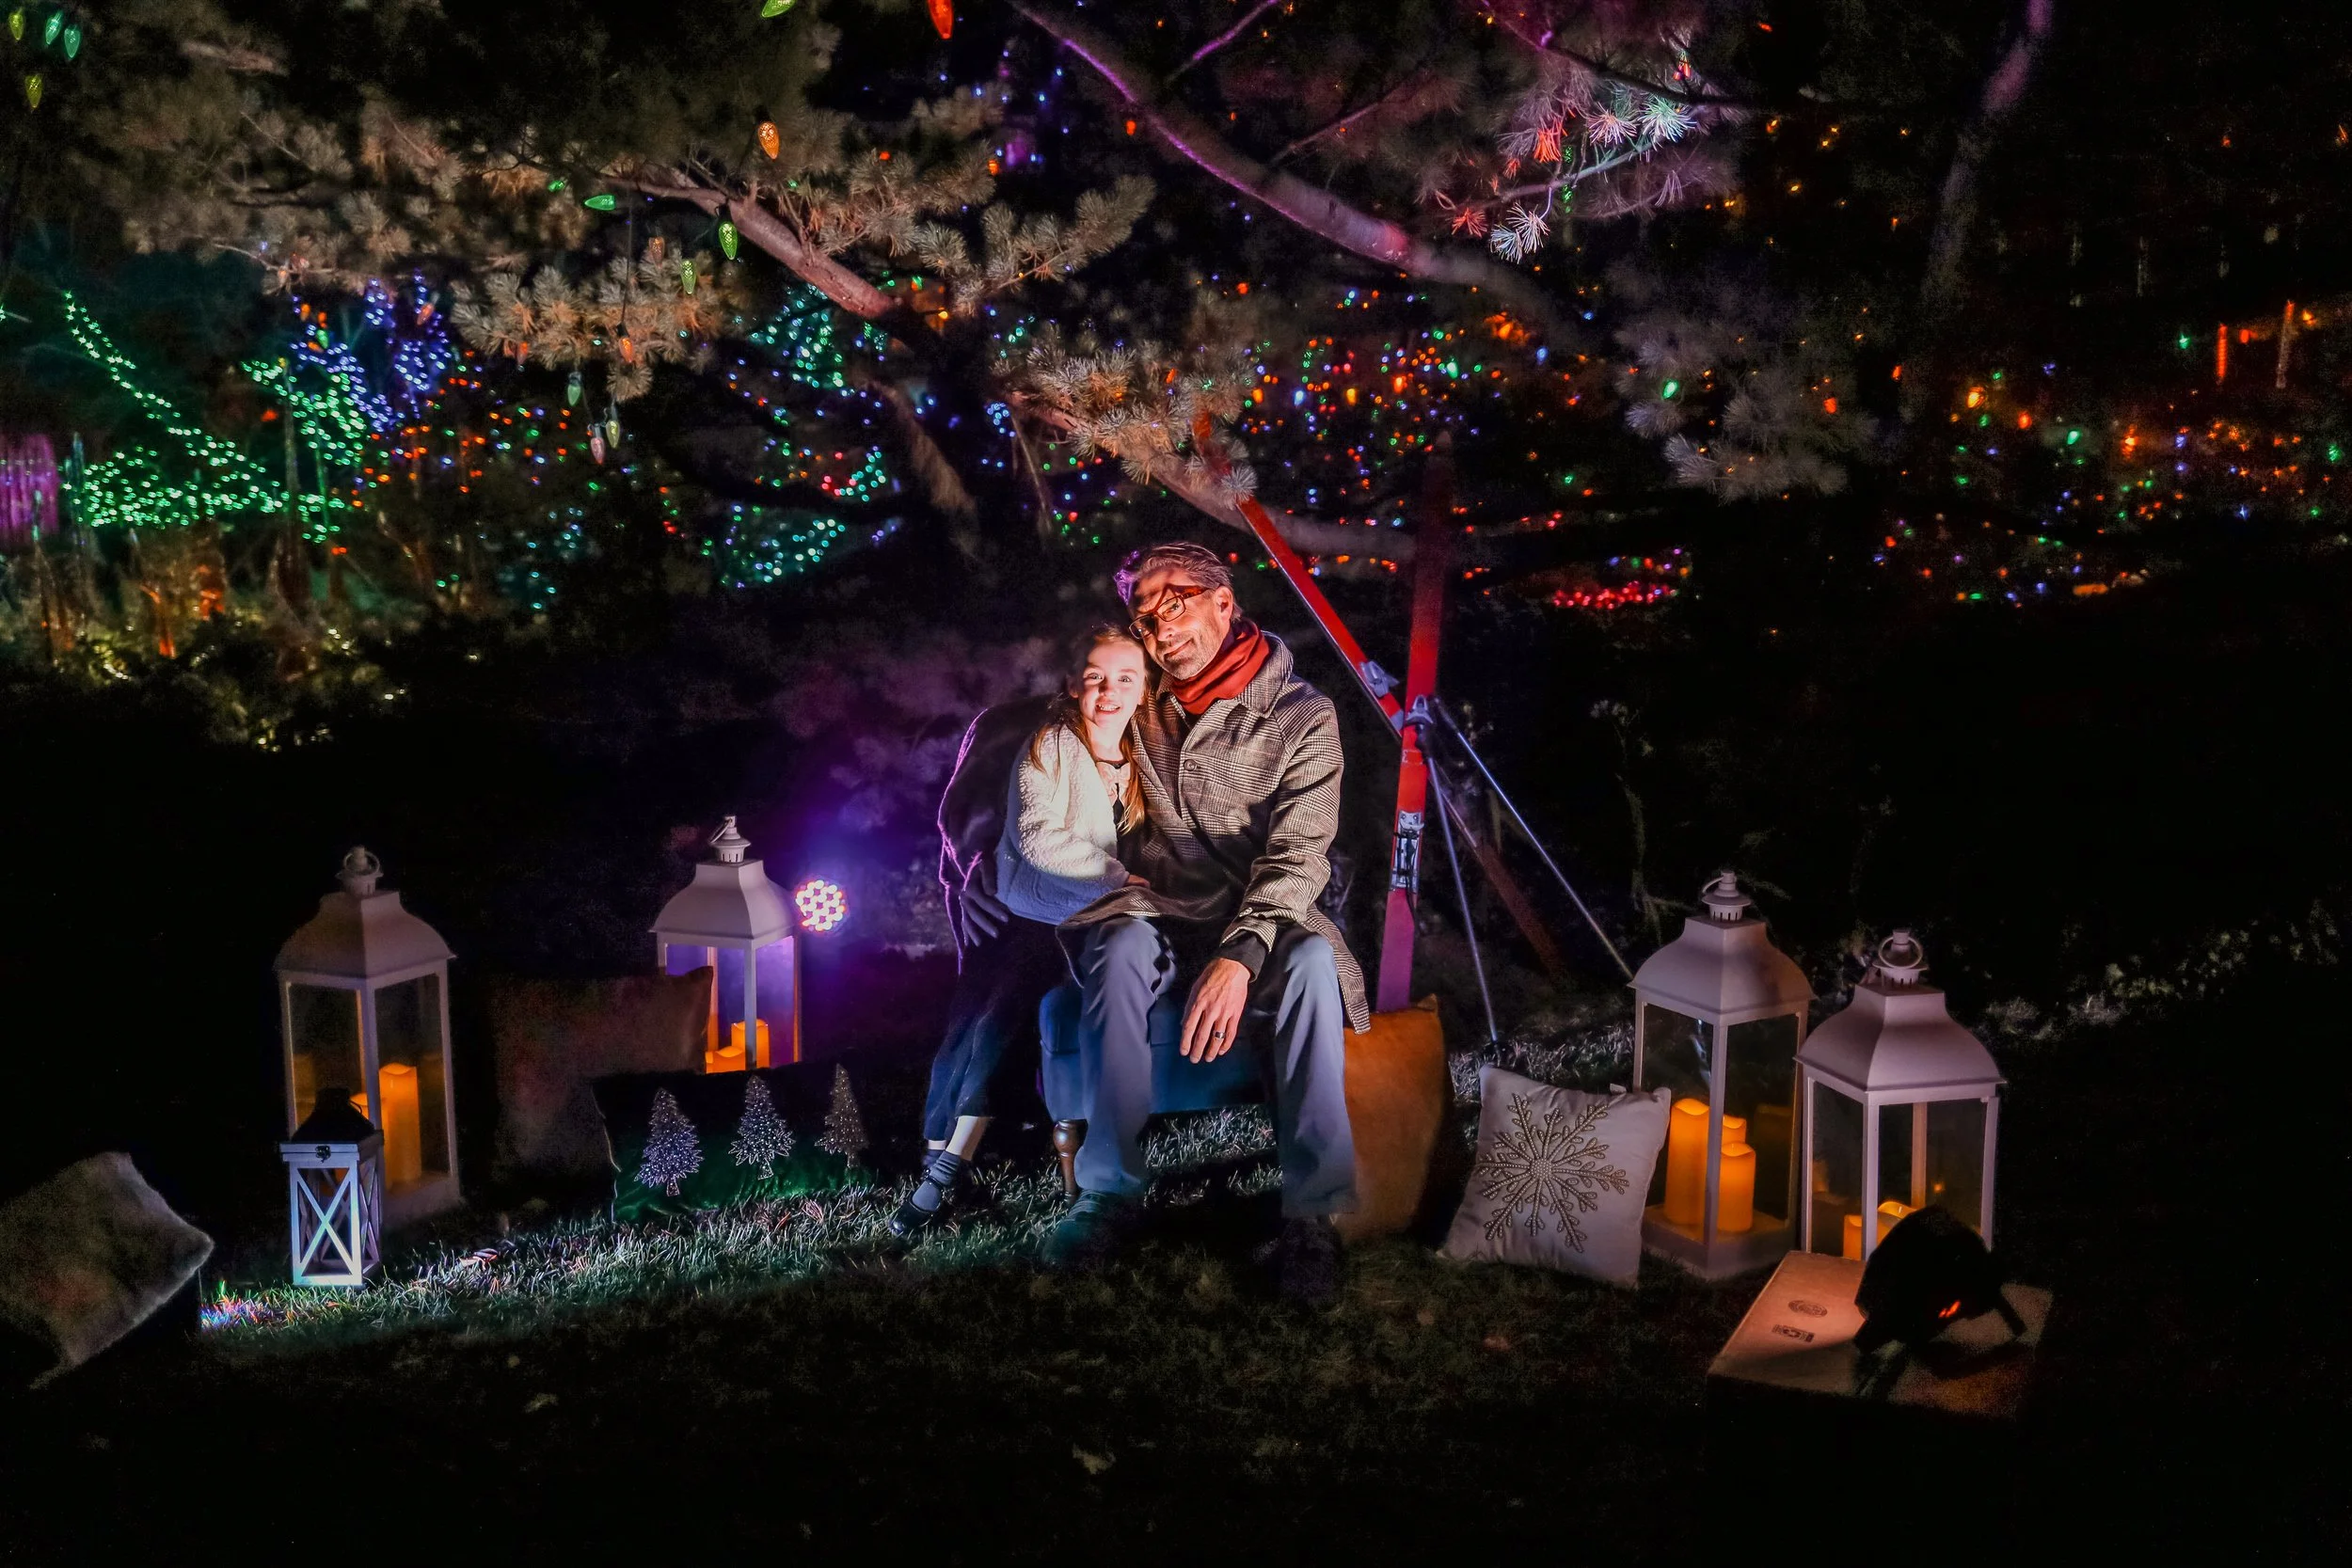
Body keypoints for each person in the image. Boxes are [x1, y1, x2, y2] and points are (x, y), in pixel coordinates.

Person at [1040, 541, 1368, 1305]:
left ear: (1225, 601)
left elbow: (1299, 853)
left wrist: (1241, 954)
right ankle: (1108, 1193)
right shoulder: (1138, 697)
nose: (1160, 628)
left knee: (1315, 964)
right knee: (1117, 947)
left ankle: (1311, 1215)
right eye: (1145, 617)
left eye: (1175, 601)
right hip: (1157, 906)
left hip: (1264, 915)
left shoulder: (1301, 716)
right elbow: (1062, 731)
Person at [892, 626, 1153, 1238]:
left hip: (1089, 916)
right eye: (1094, 676)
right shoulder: (1017, 727)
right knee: (982, 994)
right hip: (1008, 894)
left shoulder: (1149, 749)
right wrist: (979, 863)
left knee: (1010, 994)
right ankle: (940, 1159)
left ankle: (944, 1169)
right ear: (1069, 679)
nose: (1109, 691)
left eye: (1126, 679)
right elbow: (971, 805)